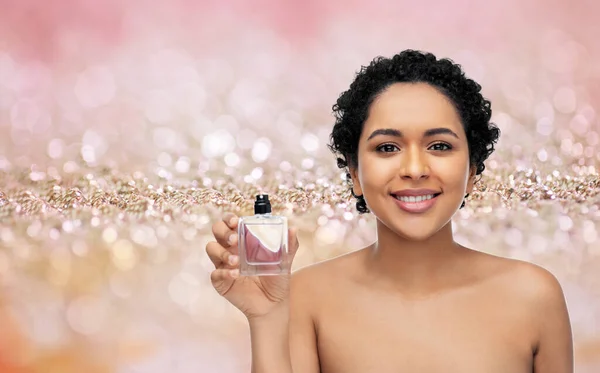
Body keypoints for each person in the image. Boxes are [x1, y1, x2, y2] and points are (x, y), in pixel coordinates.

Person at [205, 50, 573, 373]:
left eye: (440, 145)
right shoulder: (306, 297)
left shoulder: (533, 296)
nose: (414, 168)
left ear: (473, 170)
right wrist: (266, 317)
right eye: (387, 148)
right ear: (354, 173)